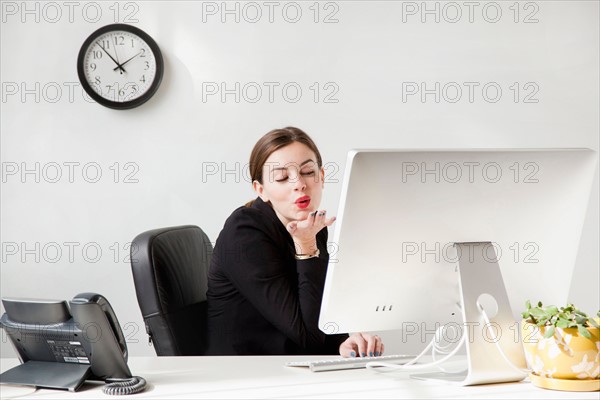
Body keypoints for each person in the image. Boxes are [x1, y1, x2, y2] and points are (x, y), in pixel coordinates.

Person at [207, 127, 384, 357]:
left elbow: (315, 313)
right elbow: (307, 336)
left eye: (308, 171)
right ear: (261, 190)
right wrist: (307, 245)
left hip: (294, 363)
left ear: (322, 177)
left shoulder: (311, 225)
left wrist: (345, 341)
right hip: (247, 373)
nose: (299, 183)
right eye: (281, 177)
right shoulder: (243, 233)